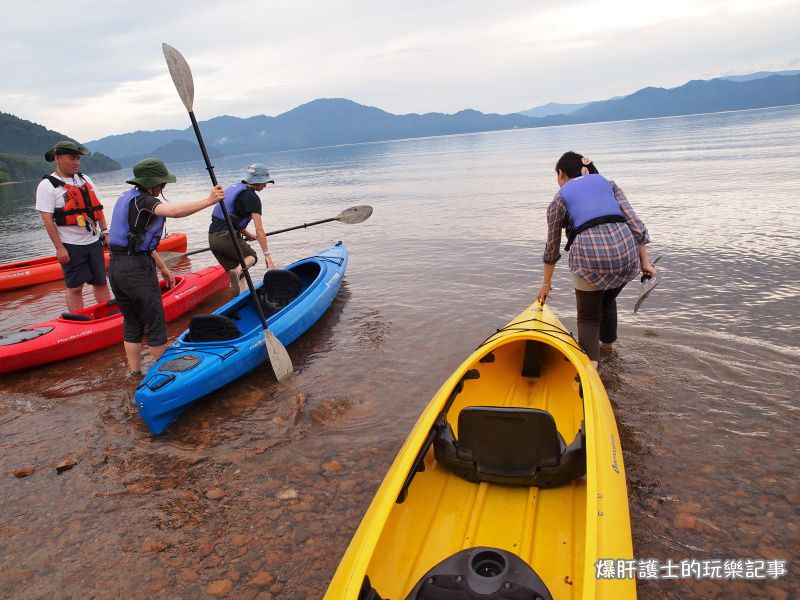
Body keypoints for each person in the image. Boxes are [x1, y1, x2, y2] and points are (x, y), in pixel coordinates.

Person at [536, 151, 657, 367]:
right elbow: (636, 225)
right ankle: (609, 353)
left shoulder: (559, 199)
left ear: (561, 174)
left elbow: (552, 247)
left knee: (588, 318)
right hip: (626, 254)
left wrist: (546, 284)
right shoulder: (608, 185)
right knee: (608, 302)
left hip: (591, 259)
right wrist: (645, 262)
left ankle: (591, 373)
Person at [108, 158, 224, 376]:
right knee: (155, 322)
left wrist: (163, 267)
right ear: (153, 183)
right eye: (162, 184)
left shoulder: (127, 199)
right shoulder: (144, 201)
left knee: (132, 321)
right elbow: (172, 211)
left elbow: (137, 240)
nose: (163, 188)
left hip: (116, 268)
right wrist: (209, 201)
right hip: (136, 270)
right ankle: (163, 378)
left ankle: (135, 373)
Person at [36, 141, 111, 311]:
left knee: (101, 281)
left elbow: (98, 208)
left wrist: (105, 232)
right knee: (75, 287)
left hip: (93, 241)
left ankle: (107, 316)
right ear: (57, 158)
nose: (76, 162)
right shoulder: (47, 186)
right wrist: (59, 248)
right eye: (71, 158)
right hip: (71, 245)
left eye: (77, 159)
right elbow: (47, 219)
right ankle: (79, 322)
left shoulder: (85, 179)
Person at [208, 163, 277, 296]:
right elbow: (260, 230)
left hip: (212, 238)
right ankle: (238, 271)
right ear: (257, 182)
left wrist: (246, 233)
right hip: (226, 237)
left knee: (238, 273)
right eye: (264, 182)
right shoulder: (252, 198)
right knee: (251, 257)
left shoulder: (235, 188)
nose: (265, 185)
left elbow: (229, 218)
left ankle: (238, 301)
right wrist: (267, 254)